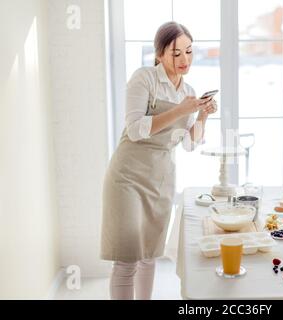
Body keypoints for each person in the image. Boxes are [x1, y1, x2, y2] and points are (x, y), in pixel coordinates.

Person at [100, 21, 217, 299]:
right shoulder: (144, 78)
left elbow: (189, 143)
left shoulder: (187, 91)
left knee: (149, 255)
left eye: (189, 52)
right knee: (127, 259)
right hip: (127, 178)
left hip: (161, 180)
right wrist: (180, 110)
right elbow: (136, 129)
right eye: (176, 54)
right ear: (160, 54)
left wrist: (201, 115)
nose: (184, 60)